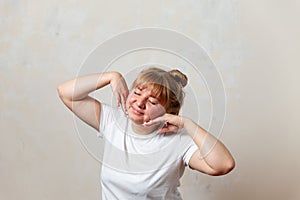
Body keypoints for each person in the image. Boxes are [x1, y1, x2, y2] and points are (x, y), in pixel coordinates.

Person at [57, 67, 235, 199]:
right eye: (137, 92)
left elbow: (224, 164)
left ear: (169, 112)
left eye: (152, 101)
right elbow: (65, 93)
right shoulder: (113, 122)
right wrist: (111, 76)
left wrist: (187, 123)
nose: (139, 103)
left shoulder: (179, 141)